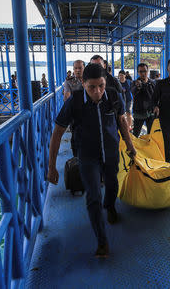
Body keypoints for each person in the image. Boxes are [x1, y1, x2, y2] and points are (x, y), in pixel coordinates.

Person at [47, 64, 136, 257]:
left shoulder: (113, 96)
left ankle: (110, 206)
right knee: (93, 196)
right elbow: (57, 132)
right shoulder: (75, 102)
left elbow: (121, 121)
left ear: (105, 82)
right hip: (87, 156)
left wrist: (130, 145)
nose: (97, 91)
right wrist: (51, 166)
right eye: (92, 87)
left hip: (111, 153)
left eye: (101, 86)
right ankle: (102, 241)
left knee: (112, 185)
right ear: (83, 84)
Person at [131, 63, 156, 137]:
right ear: (138, 72)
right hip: (139, 113)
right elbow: (133, 92)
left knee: (151, 134)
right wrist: (138, 87)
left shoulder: (152, 83)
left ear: (147, 71)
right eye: (141, 72)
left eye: (144, 71)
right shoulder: (134, 83)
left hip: (150, 113)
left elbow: (154, 96)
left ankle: (149, 148)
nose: (143, 74)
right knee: (136, 134)